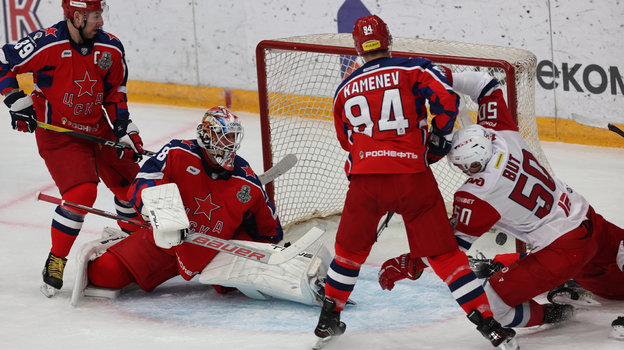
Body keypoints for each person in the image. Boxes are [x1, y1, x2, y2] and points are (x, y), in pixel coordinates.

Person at [313, 15, 517, 349]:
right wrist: (438, 137)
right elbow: (447, 99)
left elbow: (346, 141)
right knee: (445, 257)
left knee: (348, 253)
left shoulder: (344, 89)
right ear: (388, 40)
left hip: (365, 183)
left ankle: (327, 320)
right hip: (413, 179)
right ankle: (489, 326)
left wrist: (375, 158)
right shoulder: (413, 68)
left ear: (358, 48)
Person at [403, 69, 624, 330]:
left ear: (472, 164)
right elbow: (485, 84)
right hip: (589, 220)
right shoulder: (501, 134)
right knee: (615, 283)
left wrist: (412, 262)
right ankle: (527, 268)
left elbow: (451, 252)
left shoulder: (475, 195)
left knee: (490, 305)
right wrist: (437, 75)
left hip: (563, 252)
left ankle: (552, 315)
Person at [0, 0, 144, 297]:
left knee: (134, 189)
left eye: (100, 14)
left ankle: (133, 247)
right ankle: (56, 259)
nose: (100, 21)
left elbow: (115, 92)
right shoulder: (47, 43)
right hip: (60, 134)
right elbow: (4, 61)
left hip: (98, 129)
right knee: (82, 194)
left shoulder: (111, 48)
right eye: (94, 15)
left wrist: (123, 129)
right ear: (76, 16)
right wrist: (15, 100)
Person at [83, 107, 288, 298]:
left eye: (233, 136)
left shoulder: (247, 181)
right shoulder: (177, 152)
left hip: (215, 250)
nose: (230, 143)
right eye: (223, 136)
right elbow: (144, 180)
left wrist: (274, 254)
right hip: (167, 242)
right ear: (207, 135)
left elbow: (269, 230)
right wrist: (154, 210)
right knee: (104, 274)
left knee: (243, 284)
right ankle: (120, 240)